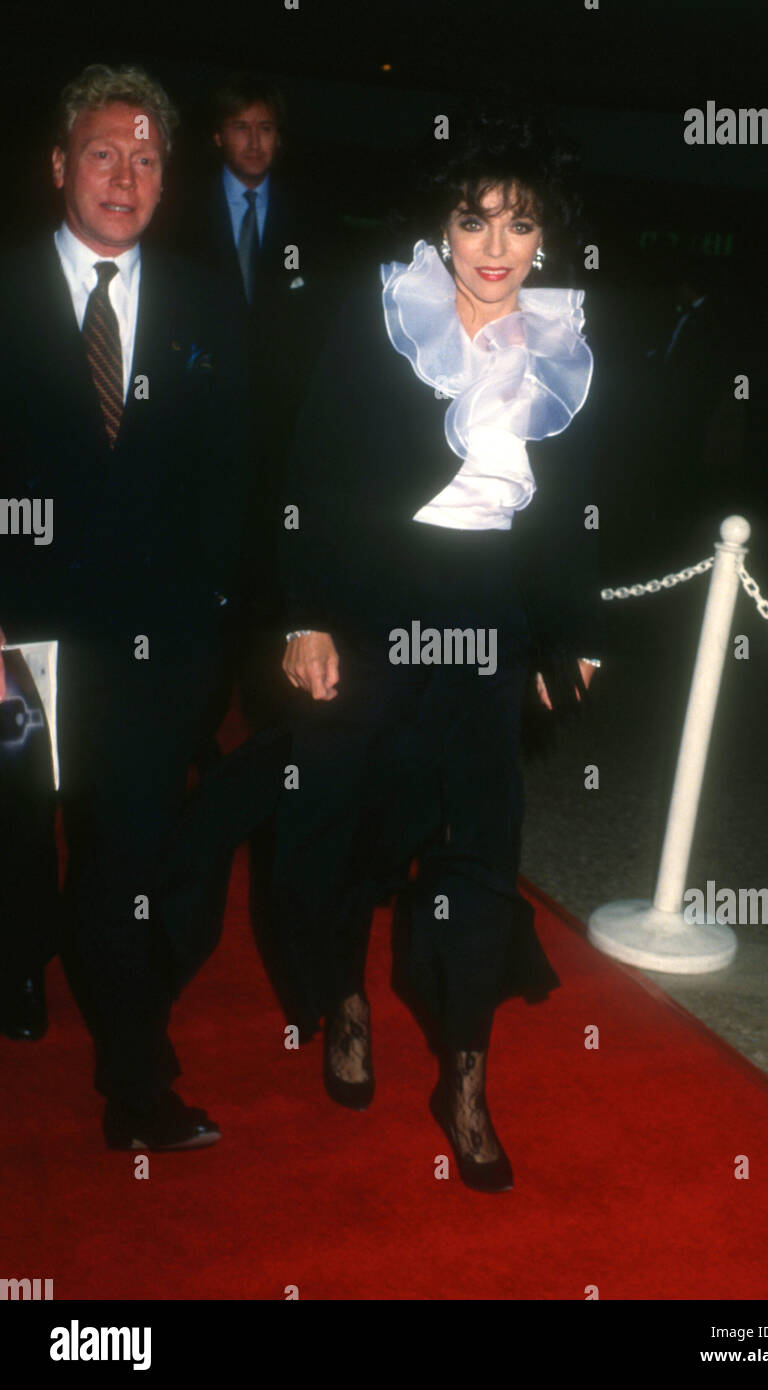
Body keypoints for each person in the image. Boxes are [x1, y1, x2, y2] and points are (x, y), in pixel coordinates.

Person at [274, 110, 602, 1192]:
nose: (496, 245)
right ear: (445, 227)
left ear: (545, 236)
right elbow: (313, 474)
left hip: (490, 619)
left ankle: (464, 1074)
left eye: (518, 223)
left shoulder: (564, 342)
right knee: (357, 830)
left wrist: (573, 631)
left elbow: (575, 509)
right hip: (376, 605)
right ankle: (346, 999)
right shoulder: (385, 319)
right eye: (475, 219)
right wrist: (307, 613)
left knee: (480, 846)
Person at [0, 64, 248, 1150]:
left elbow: (231, 475)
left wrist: (211, 636)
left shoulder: (206, 302)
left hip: (155, 646)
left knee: (127, 856)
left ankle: (135, 1086)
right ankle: (19, 955)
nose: (125, 174)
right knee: (16, 836)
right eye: (104, 151)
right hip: (16, 637)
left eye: (147, 157)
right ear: (60, 164)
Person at [173, 74, 325, 729]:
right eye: (241, 127)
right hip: (197, 422)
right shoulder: (178, 211)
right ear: (217, 136)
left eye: (265, 128)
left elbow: (314, 322)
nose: (254, 140)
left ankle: (262, 686)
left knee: (261, 563)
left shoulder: (310, 216)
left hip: (276, 431)